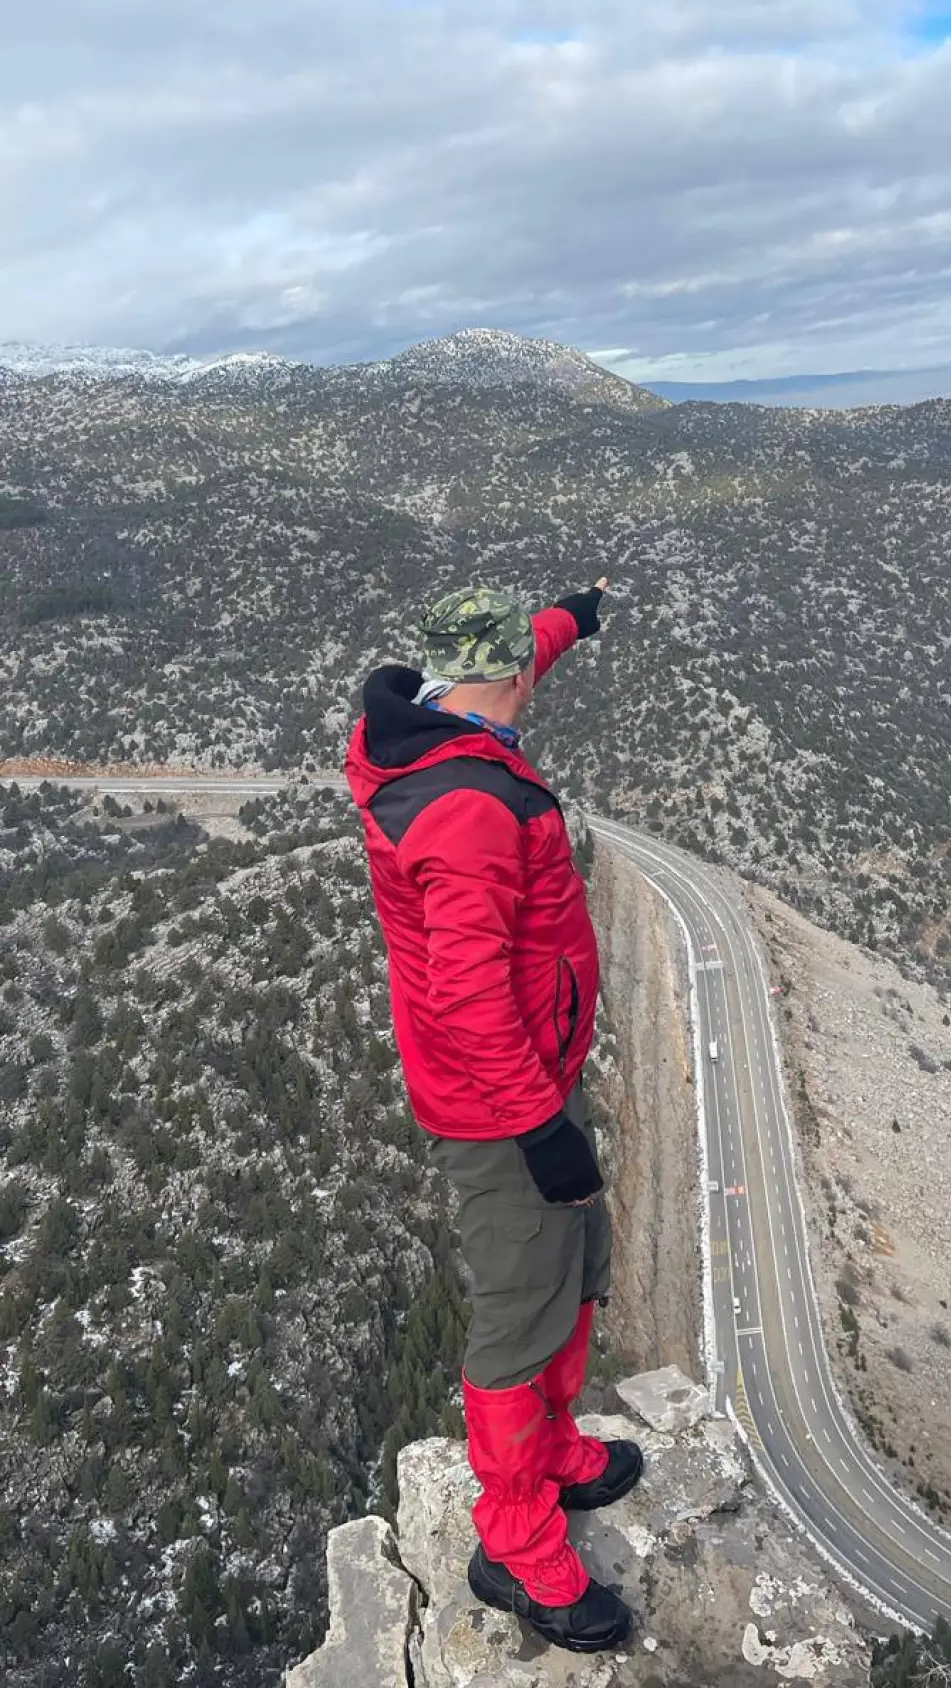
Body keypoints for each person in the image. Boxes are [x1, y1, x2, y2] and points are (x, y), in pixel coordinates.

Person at [344, 579, 639, 1655]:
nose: (536, 673)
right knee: (519, 1312)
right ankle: (514, 1543)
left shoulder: (436, 720)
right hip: (499, 1105)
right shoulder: (467, 804)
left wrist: (572, 614)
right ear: (502, 676)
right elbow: (466, 991)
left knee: (575, 1257)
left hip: (526, 1079)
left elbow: (521, 658)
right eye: (531, 662)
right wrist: (538, 1125)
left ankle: (555, 1451)